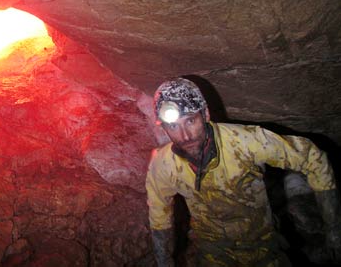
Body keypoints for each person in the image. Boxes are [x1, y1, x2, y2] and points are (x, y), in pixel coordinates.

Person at [145, 77, 341, 267]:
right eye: (173, 126)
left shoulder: (245, 142)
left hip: (263, 246)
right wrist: (164, 262)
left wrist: (334, 229)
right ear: (164, 128)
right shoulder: (163, 165)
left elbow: (311, 157)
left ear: (205, 115)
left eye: (190, 121)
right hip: (213, 252)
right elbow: (159, 217)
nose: (185, 136)